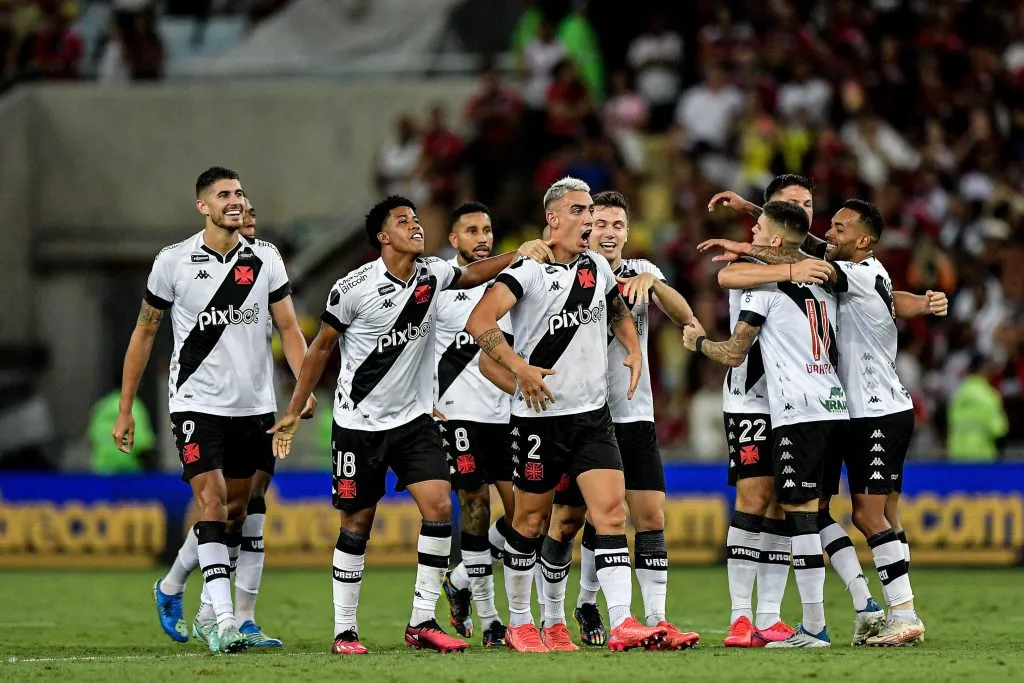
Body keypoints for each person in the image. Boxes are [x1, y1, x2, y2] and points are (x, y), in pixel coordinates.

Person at [267, 195, 552, 655]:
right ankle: (344, 629)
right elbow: (320, 349)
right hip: (359, 424)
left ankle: (421, 620)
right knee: (357, 522)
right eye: (404, 221)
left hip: (416, 421)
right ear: (383, 236)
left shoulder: (433, 274)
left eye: (417, 220)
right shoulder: (353, 287)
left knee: (439, 506)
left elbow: (476, 273)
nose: (416, 226)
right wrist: (295, 408)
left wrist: (519, 254)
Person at [700, 200, 947, 646]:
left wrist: (746, 247)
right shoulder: (845, 272)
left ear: (864, 241)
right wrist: (753, 213)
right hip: (846, 409)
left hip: (876, 409)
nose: (827, 233)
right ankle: (874, 607)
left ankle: (900, 613)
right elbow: (800, 248)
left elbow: (793, 256)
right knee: (843, 512)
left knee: (870, 515)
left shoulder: (854, 273)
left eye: (838, 227)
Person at [114, 168, 315, 654]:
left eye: (240, 193)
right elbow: (144, 333)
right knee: (212, 500)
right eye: (224, 194)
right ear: (203, 206)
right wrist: (126, 408)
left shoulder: (265, 259)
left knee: (236, 511)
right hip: (195, 403)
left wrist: (303, 385)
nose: (236, 200)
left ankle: (172, 586)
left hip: (255, 407)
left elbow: (288, 328)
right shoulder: (173, 262)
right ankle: (223, 623)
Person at [466, 177, 666, 653]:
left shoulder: (596, 266)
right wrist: (519, 369)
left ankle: (622, 623)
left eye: (591, 211)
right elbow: (480, 322)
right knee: (530, 522)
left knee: (611, 514)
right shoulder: (527, 271)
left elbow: (618, 309)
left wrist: (634, 349)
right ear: (553, 219)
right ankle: (521, 622)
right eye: (579, 211)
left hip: (592, 418)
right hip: (538, 420)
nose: (589, 221)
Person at [539, 190, 701, 650]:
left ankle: (656, 620)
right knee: (568, 520)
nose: (608, 232)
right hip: (580, 414)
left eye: (617, 226)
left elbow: (685, 316)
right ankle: (554, 616)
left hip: (634, 413)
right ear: (586, 227)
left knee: (648, 515)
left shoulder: (640, 273)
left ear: (628, 233)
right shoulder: (566, 272)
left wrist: (655, 284)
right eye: (600, 223)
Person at [684, 200, 842, 648]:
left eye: (758, 225)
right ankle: (740, 616)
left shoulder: (805, 269)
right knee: (754, 496)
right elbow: (726, 276)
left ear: (776, 237)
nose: (749, 229)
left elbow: (801, 248)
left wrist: (696, 342)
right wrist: (779, 261)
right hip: (752, 397)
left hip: (792, 401)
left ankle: (770, 616)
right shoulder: (763, 268)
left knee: (782, 504)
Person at [434, 202, 514, 647]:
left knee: (526, 517)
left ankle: (460, 579)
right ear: (454, 239)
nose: (482, 237)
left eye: (487, 229)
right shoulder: (439, 283)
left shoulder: (510, 284)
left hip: (505, 412)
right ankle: (492, 620)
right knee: (476, 506)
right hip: (456, 412)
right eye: (471, 230)